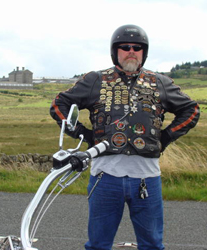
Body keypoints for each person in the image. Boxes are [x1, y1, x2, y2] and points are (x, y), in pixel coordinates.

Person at [50, 24, 200, 250]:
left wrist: (166, 138)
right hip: (104, 176)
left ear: (144, 52)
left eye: (137, 48)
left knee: (152, 245)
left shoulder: (160, 82)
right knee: (98, 244)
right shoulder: (95, 80)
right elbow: (59, 105)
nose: (131, 51)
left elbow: (191, 110)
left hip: (147, 178)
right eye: (125, 47)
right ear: (115, 51)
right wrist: (86, 135)